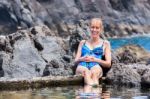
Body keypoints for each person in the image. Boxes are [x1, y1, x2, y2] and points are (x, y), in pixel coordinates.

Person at [74, 18, 111, 86]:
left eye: (97, 28)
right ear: (89, 28)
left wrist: (95, 59)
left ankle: (91, 93)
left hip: (95, 65)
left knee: (94, 73)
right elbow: (75, 61)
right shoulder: (82, 43)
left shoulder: (105, 43)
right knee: (86, 73)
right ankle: (94, 92)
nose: (94, 30)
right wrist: (82, 59)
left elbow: (108, 63)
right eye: (92, 27)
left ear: (101, 29)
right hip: (82, 65)